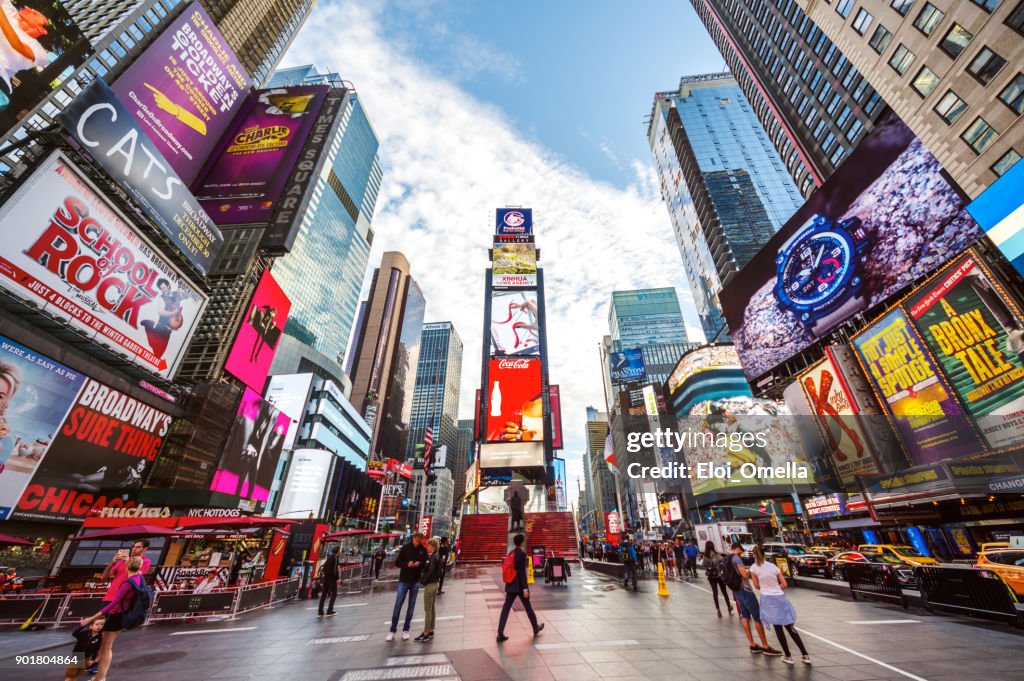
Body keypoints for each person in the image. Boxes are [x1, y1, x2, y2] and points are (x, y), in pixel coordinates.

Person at [80, 556, 145, 681]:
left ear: (126, 567)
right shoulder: (139, 578)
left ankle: (100, 677)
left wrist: (91, 618)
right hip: (124, 614)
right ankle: (98, 673)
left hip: (115, 615)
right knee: (106, 645)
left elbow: (114, 603)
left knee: (106, 647)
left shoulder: (127, 583)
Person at [751, 546, 811, 665]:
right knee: (790, 627)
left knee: (778, 628)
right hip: (780, 598)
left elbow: (757, 586)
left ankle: (788, 656)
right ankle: (805, 655)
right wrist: (775, 589)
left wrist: (766, 587)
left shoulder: (753, 568)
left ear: (754, 555)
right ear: (765, 555)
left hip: (768, 599)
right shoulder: (773, 567)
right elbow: (784, 584)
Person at [727, 542, 782, 656]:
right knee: (757, 617)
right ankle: (766, 646)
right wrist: (750, 571)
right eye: (741, 551)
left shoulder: (727, 558)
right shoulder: (736, 559)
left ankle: (752, 644)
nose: (742, 553)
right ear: (737, 549)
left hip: (736, 590)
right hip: (745, 590)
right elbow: (744, 575)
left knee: (745, 616)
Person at [496, 533, 544, 642]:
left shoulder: (511, 553)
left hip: (510, 585)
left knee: (506, 609)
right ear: (521, 542)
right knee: (528, 607)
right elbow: (522, 572)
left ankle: (500, 633)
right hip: (520, 586)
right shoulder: (522, 554)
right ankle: (535, 627)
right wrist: (525, 589)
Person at [388, 533, 427, 641]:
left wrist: (420, 564)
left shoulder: (423, 550)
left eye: (419, 540)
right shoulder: (405, 548)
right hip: (404, 580)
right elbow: (398, 562)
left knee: (411, 607)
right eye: (416, 540)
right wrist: (406, 564)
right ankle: (392, 630)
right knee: (398, 605)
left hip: (415, 581)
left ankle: (406, 630)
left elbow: (425, 563)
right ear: (413, 538)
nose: (417, 542)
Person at [102, 540, 151, 606]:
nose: (134, 549)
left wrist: (127, 562)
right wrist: (112, 563)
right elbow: (103, 578)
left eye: (138, 547)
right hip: (109, 597)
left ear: (145, 549)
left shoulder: (145, 561)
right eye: (133, 547)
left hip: (124, 600)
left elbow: (136, 575)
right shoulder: (122, 561)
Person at [416, 538, 443, 642]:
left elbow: (430, 570)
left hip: (430, 584)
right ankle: (431, 630)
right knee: (432, 609)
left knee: (428, 610)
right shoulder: (437, 555)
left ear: (432, 546)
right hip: (435, 584)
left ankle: (426, 633)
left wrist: (423, 581)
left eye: (428, 545)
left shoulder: (432, 557)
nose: (427, 547)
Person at [65, 615, 104, 681]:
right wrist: (81, 626)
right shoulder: (84, 633)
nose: (99, 626)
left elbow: (96, 649)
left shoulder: (99, 637)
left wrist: (93, 659)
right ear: (91, 626)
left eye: (101, 624)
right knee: (71, 674)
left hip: (86, 657)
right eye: (97, 624)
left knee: (76, 674)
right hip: (77, 655)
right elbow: (75, 633)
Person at [703, 541, 734, 617]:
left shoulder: (705, 555)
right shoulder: (716, 554)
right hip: (719, 575)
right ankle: (729, 607)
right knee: (724, 592)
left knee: (715, 593)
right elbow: (723, 561)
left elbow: (704, 564)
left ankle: (718, 609)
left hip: (711, 576)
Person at [318, 546, 340, 617]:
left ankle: (320, 611)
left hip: (326, 579)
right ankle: (329, 611)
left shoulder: (329, 558)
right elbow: (334, 571)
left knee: (324, 594)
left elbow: (324, 568)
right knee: (334, 594)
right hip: (332, 579)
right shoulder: (335, 558)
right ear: (338, 552)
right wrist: (337, 579)